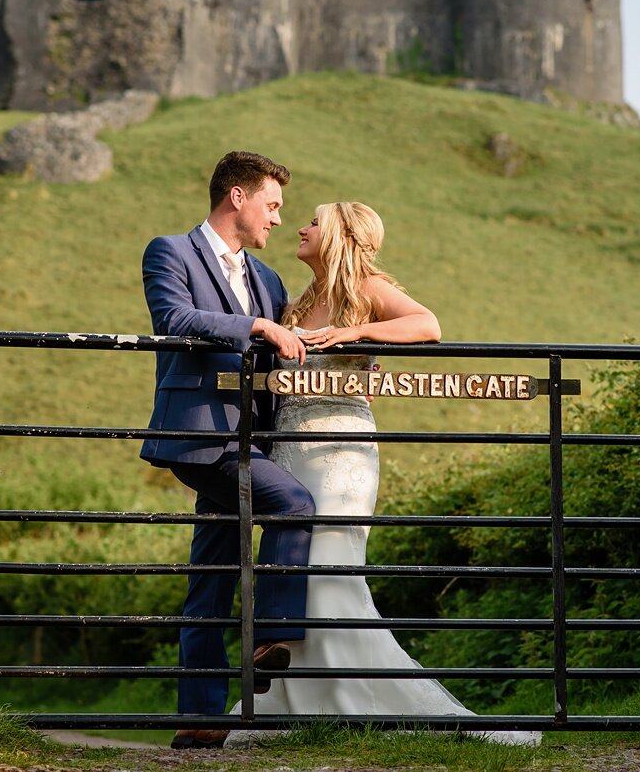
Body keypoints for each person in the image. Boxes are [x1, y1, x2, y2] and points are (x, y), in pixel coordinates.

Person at [223, 201, 539, 747]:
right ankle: (301, 704)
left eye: (315, 222)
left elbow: (428, 324)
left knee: (330, 573)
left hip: (341, 453)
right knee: (298, 575)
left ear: (341, 235)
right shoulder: (300, 300)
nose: (301, 227)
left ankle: (359, 701)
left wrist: (357, 336)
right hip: (292, 450)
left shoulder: (364, 288)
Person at [138, 151, 315, 750]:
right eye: (271, 205)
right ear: (236, 197)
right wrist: (259, 329)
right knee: (294, 502)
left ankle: (199, 718)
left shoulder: (269, 280)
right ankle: (271, 633)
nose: (276, 219)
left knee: (210, 577)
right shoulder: (170, 251)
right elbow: (173, 317)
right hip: (198, 438)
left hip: (251, 440)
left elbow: (283, 351)